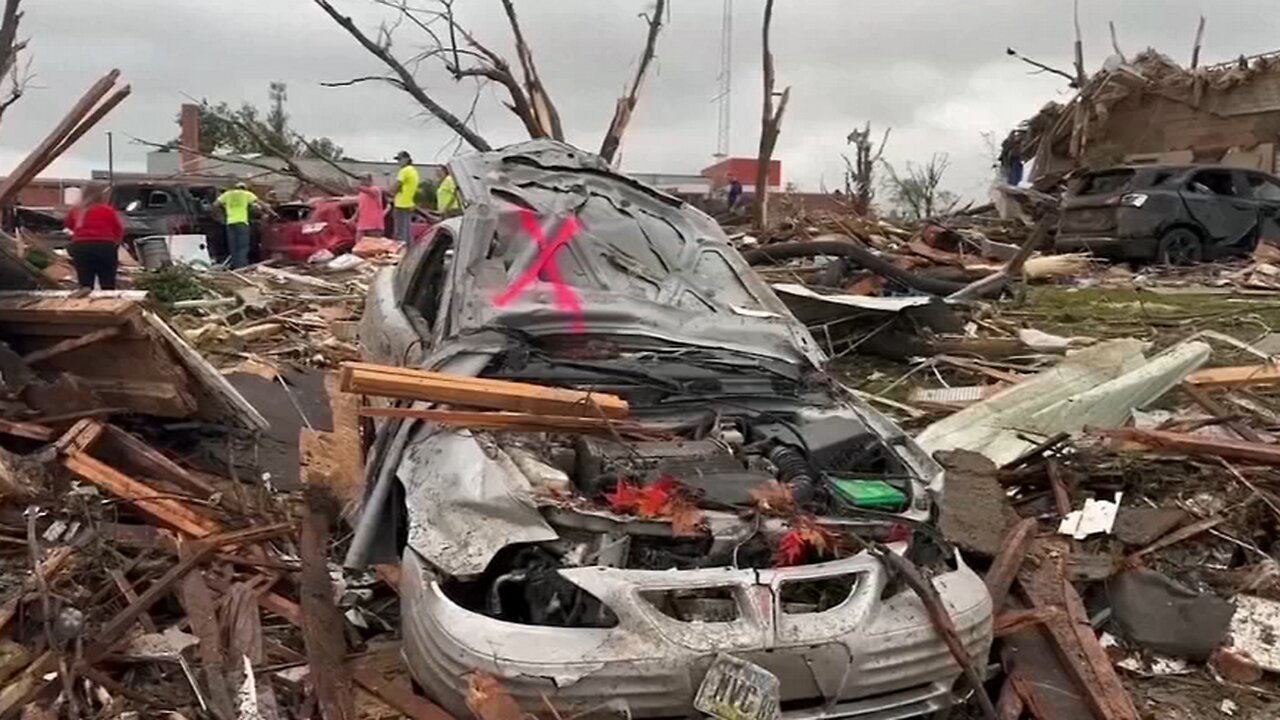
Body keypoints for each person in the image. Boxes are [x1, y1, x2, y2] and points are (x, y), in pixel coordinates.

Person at [65, 184, 124, 290]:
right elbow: (119, 229)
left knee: (85, 283)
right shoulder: (108, 210)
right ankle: (108, 304)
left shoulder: (76, 210)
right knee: (107, 282)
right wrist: (115, 244)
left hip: (81, 247)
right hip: (105, 246)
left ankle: (85, 304)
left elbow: (69, 225)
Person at [215, 182, 266, 269]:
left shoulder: (227, 194)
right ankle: (242, 268)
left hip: (230, 223)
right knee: (243, 248)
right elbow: (262, 204)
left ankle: (235, 267)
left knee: (233, 248)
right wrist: (273, 213)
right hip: (242, 223)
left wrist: (222, 215)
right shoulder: (246, 194)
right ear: (244, 188)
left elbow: (215, 204)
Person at [392, 150, 420, 243]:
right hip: (408, 202)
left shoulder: (404, 171)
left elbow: (396, 186)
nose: (398, 162)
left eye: (400, 159)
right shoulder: (413, 170)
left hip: (401, 203)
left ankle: (403, 251)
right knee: (407, 230)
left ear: (407, 159)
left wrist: (389, 192)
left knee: (400, 231)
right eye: (398, 160)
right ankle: (409, 249)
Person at [355, 174, 385, 240]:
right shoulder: (361, 193)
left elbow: (370, 192)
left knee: (373, 246)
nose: (362, 181)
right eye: (361, 180)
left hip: (374, 224)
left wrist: (358, 187)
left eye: (364, 180)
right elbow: (359, 207)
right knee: (359, 245)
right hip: (362, 224)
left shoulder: (375, 189)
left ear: (370, 180)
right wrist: (352, 219)